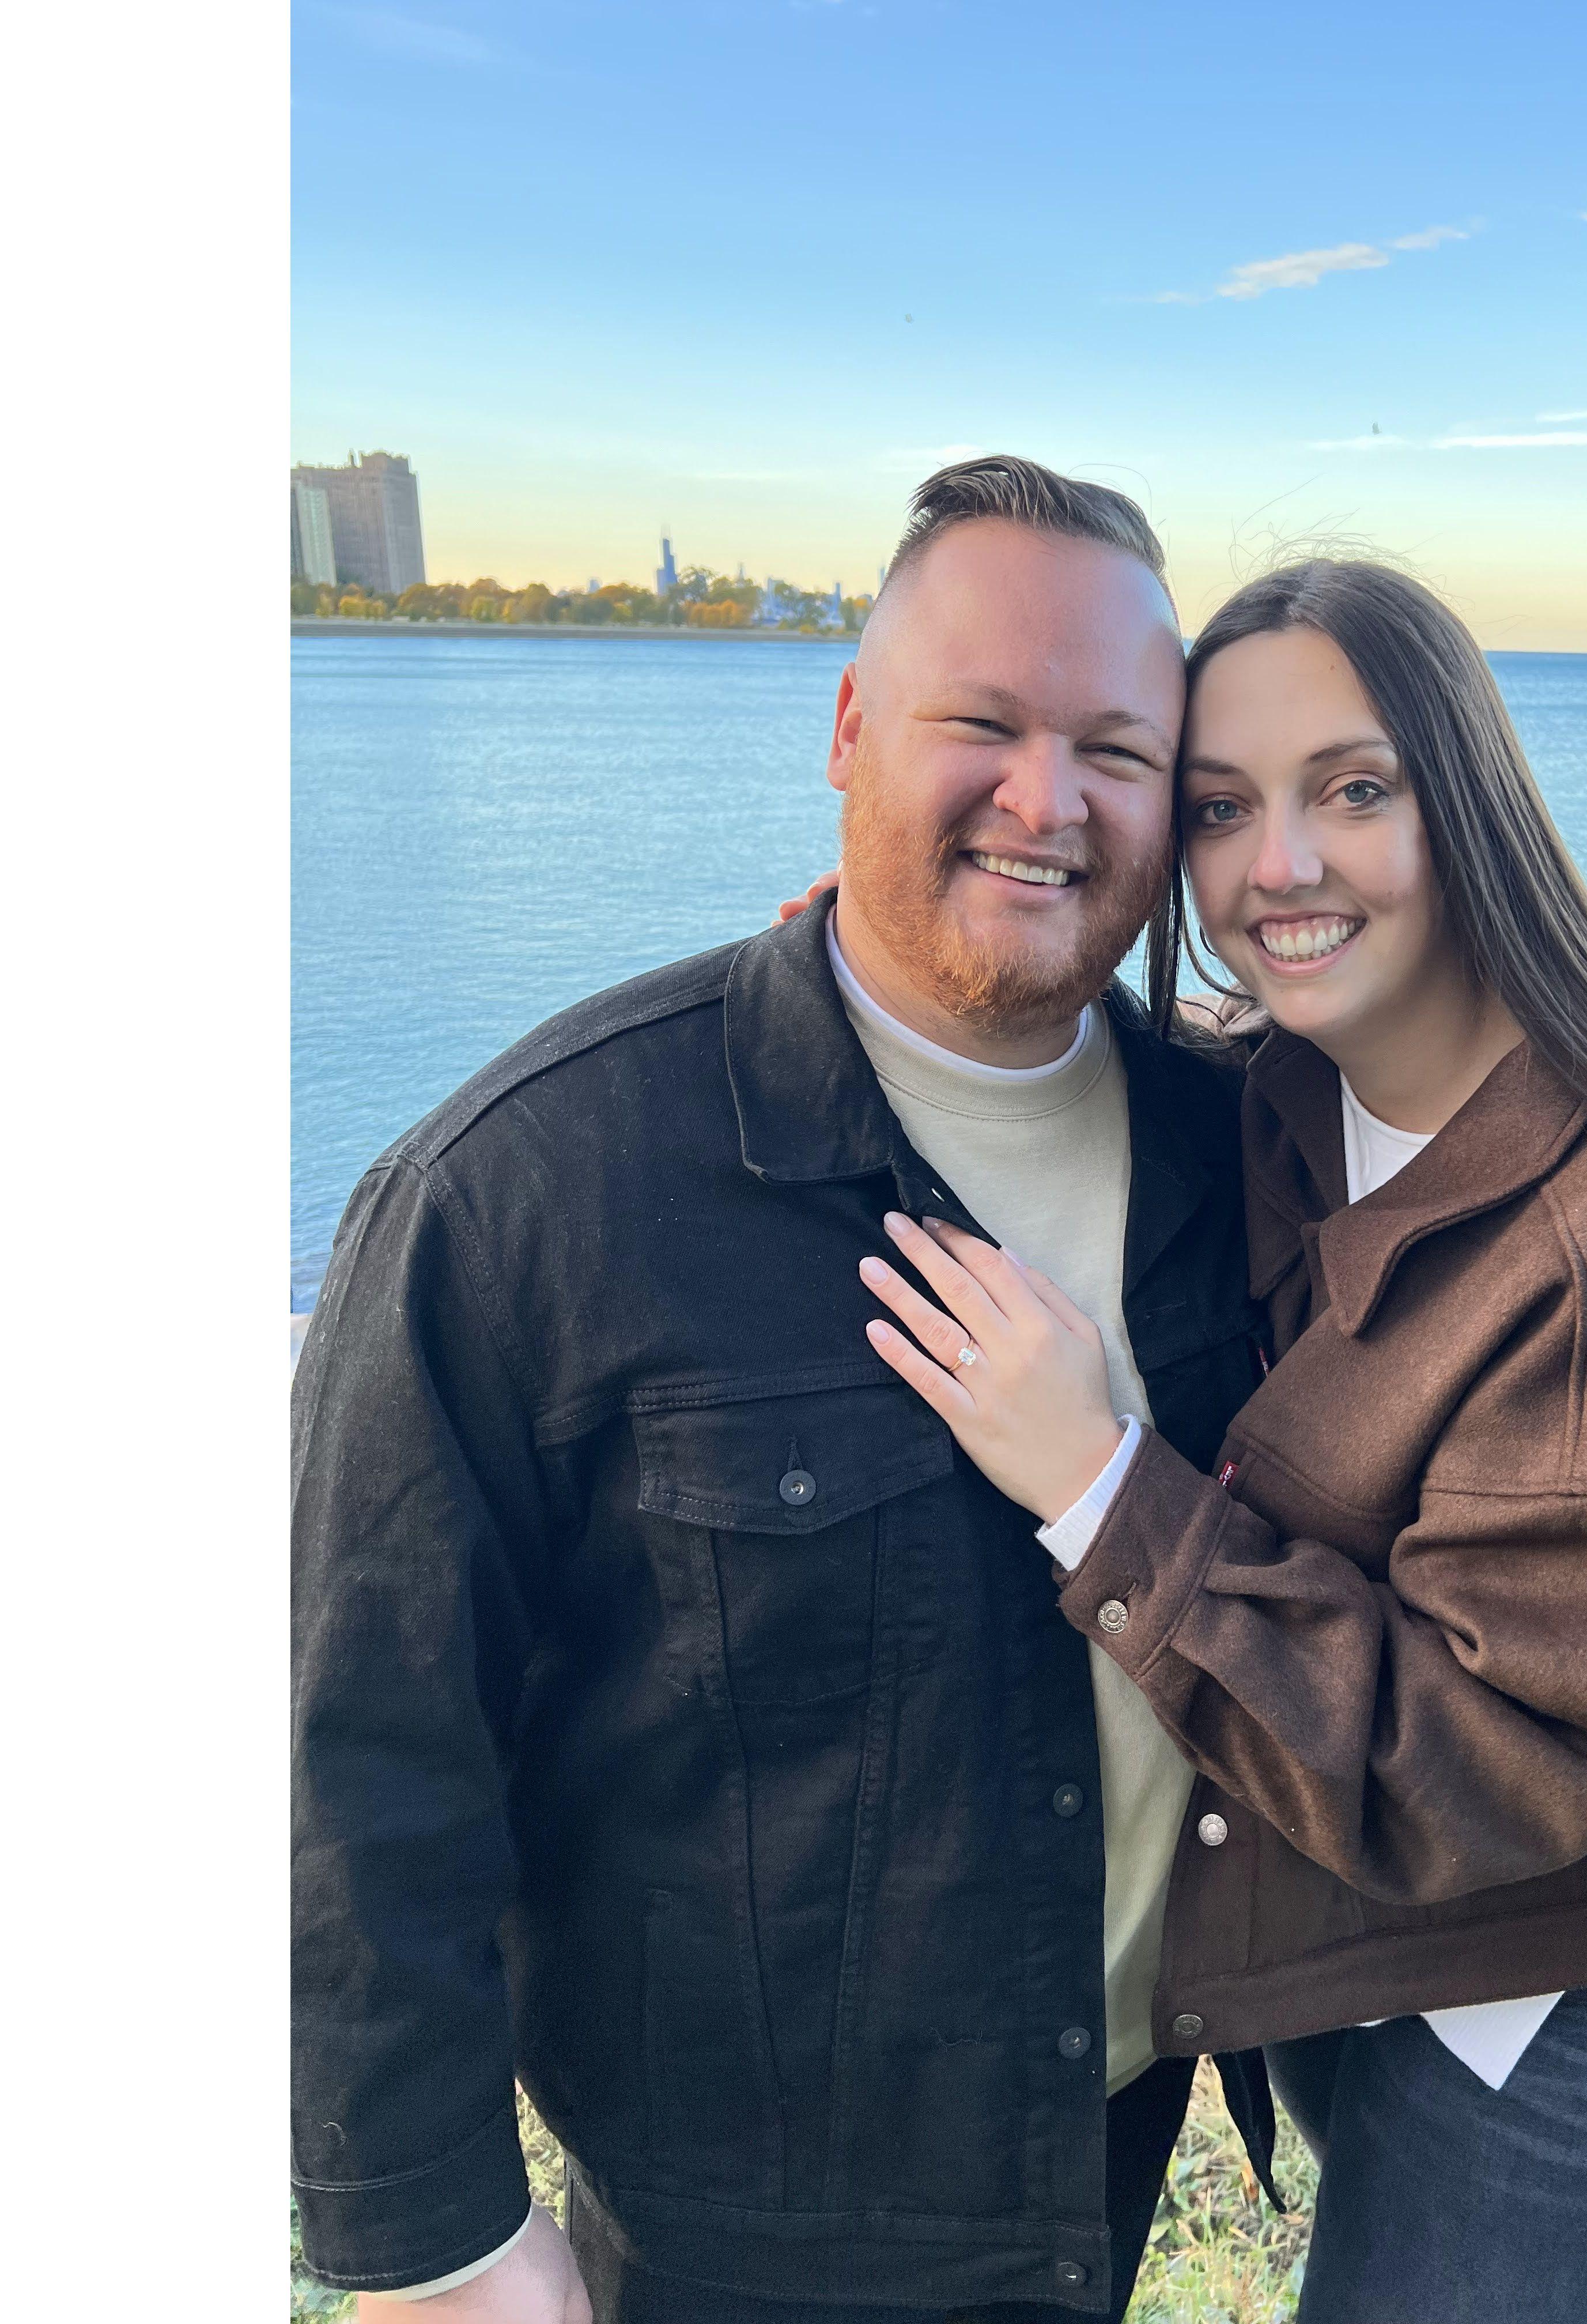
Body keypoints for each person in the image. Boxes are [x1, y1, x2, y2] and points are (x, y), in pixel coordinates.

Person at [290, 456, 1275, 2324]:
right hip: (745, 2232)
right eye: (977, 721)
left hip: (1111, 2142)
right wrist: (429, 2244)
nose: (1045, 799)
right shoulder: (531, 1191)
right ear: (846, 729)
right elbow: (356, 1748)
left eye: (1117, 750)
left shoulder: (1247, 1156)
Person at [853, 559, 1587, 2323]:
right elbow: (1159, 1046)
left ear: (1466, 800)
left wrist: (1099, 1485)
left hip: (1543, 1995)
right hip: (1345, 1917)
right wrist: (905, 962)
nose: (1283, 868)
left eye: (1354, 790)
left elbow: (1515, 1771)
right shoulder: (1295, 1089)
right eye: (1222, 807)